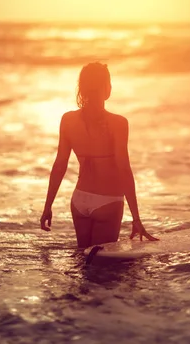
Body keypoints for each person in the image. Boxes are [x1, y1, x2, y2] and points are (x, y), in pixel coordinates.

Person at [40, 62, 158, 248]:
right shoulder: (118, 123)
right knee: (103, 267)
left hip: (79, 200)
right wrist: (136, 218)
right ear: (107, 88)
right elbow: (124, 169)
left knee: (84, 261)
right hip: (107, 202)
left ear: (83, 89)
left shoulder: (68, 120)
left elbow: (60, 164)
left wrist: (48, 206)